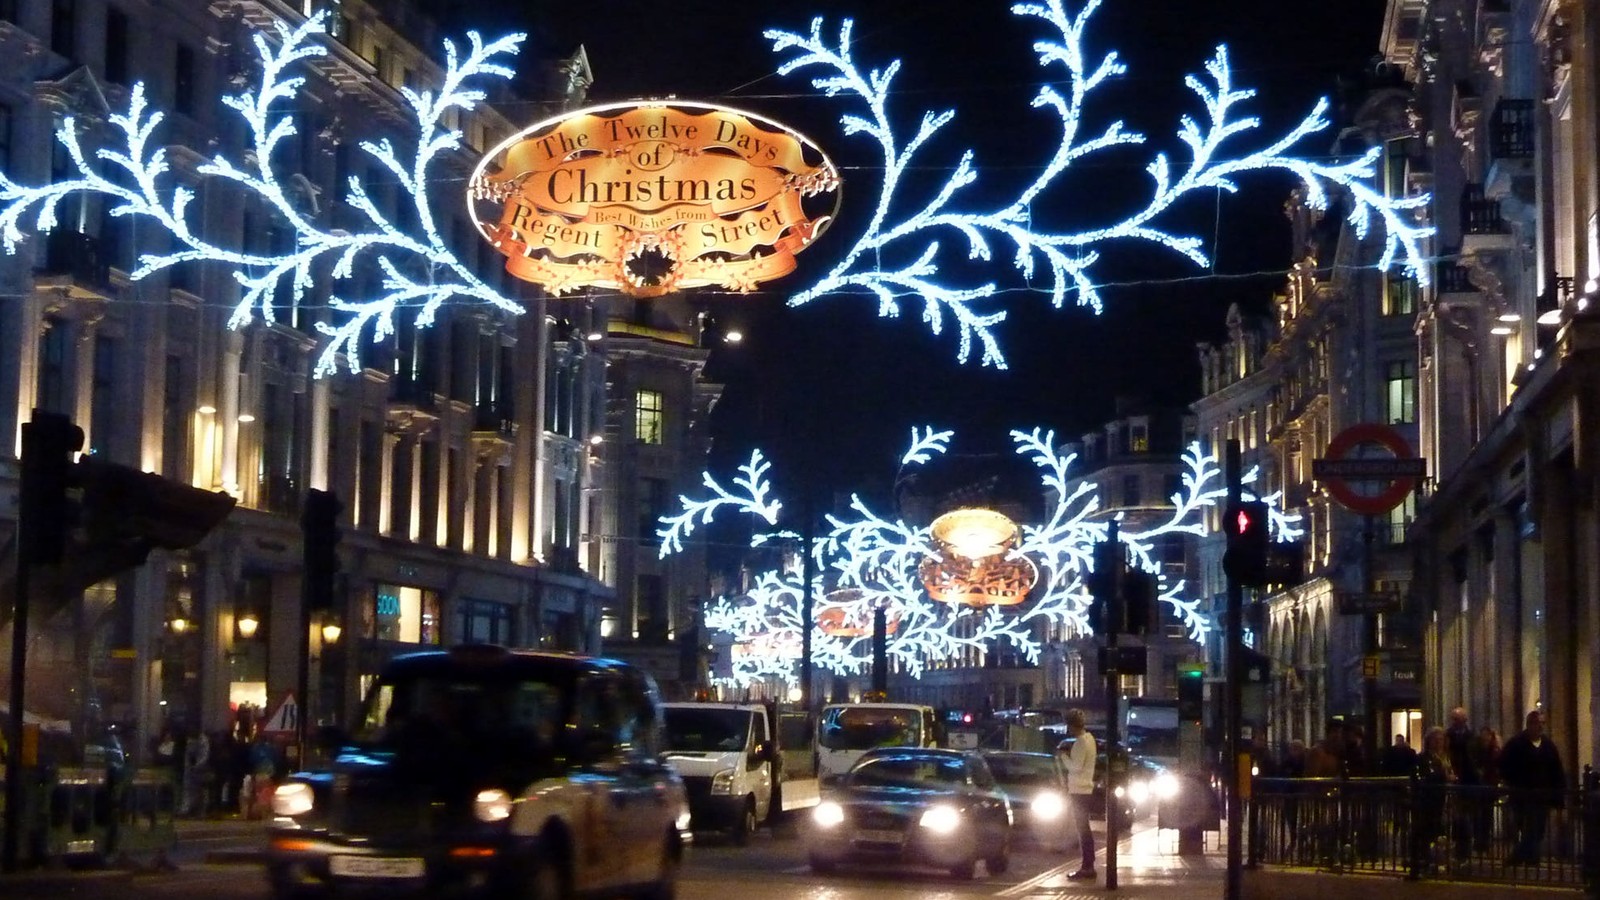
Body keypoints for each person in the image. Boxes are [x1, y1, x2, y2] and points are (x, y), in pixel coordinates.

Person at [1499, 709, 1566, 867]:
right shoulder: (1516, 743)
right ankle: (1523, 856)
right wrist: (1515, 782)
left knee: (1538, 829)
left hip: (1542, 795)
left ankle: (1526, 857)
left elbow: (1556, 770)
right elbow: (1504, 765)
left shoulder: (1548, 745)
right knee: (1529, 827)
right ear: (1529, 724)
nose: (1541, 727)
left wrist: (1558, 798)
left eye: (1543, 723)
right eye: (1537, 723)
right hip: (1522, 795)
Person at [1056, 708, 1097, 881]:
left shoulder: (1081, 742)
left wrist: (1064, 756)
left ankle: (1087, 866)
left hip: (1079, 790)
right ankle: (1089, 864)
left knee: (1083, 830)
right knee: (1085, 829)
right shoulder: (1090, 739)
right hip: (1085, 788)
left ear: (1072, 725)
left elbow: (1076, 767)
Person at [1409, 727, 1455, 879]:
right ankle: (1419, 864)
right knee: (1421, 832)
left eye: (1441, 740)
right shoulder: (1423, 758)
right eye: (1435, 740)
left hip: (1440, 800)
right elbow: (1423, 778)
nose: (1438, 743)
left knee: (1437, 832)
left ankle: (1433, 862)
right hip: (1426, 800)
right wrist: (1442, 777)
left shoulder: (1444, 757)